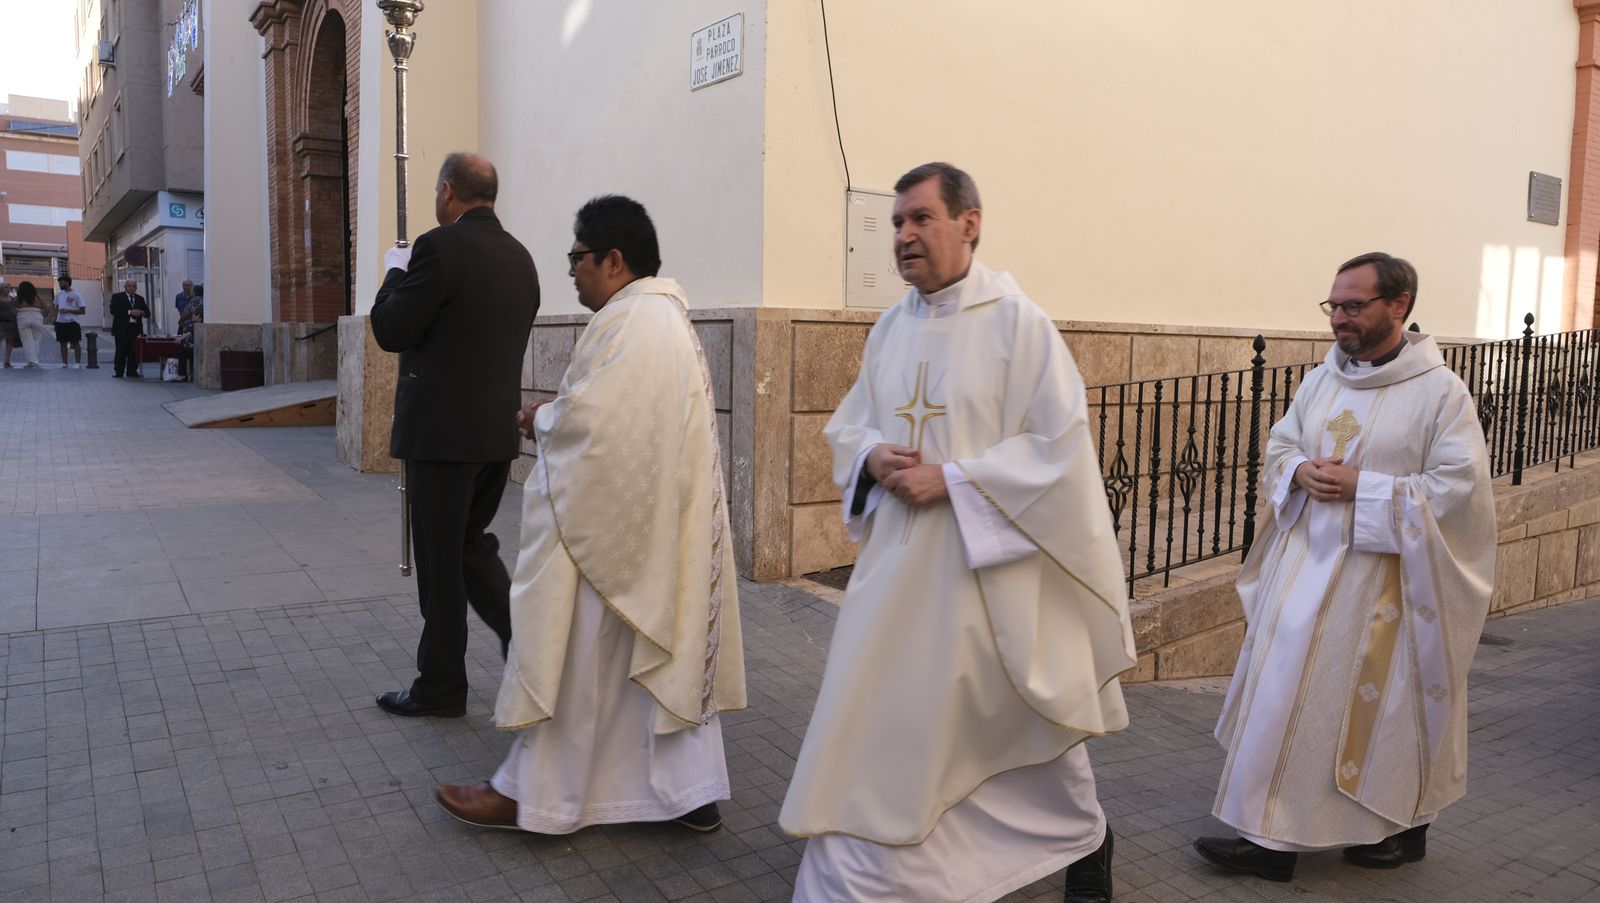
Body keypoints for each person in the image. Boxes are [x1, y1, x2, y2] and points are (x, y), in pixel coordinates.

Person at [778, 162, 1136, 903]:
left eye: (921, 218)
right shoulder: (891, 325)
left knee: (1009, 716)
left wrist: (958, 479)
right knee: (887, 713)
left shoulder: (1017, 323)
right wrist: (872, 454)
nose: (904, 235)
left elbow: (1060, 446)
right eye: (898, 222)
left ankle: (1086, 837)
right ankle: (884, 855)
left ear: (970, 223)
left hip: (983, 570)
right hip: (896, 568)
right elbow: (852, 421)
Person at [433, 195, 746, 836]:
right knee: (652, 657)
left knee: (575, 655)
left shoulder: (633, 323)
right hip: (653, 526)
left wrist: (543, 417)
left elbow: (598, 424)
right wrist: (564, 410)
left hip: (614, 533)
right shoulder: (661, 318)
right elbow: (620, 414)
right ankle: (687, 793)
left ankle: (531, 796)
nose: (571, 270)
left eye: (578, 257)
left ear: (614, 259)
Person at [1194, 252, 1496, 883]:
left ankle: (1394, 830)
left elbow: (1459, 487)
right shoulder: (1321, 380)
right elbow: (1283, 443)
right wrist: (1299, 471)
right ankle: (1271, 832)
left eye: (1354, 305)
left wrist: (1368, 486)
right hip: (1304, 567)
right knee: (1287, 697)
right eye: (1333, 305)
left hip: (1384, 581)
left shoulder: (1440, 391)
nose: (1339, 319)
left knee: (1383, 709)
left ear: (1400, 305)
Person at [370, 152, 540, 718]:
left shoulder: (436, 248)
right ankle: (527, 645)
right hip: (494, 435)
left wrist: (393, 272)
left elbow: (393, 329)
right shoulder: (521, 258)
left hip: (441, 439)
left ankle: (441, 687)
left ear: (448, 192)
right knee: (468, 545)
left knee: (441, 563)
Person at [109, 279, 149, 378]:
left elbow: (148, 313)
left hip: (135, 330)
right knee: (120, 351)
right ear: (125, 287)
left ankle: (132, 371)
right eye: (129, 286)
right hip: (121, 329)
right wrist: (129, 312)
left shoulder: (140, 298)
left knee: (134, 351)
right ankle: (119, 371)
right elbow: (113, 310)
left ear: (136, 288)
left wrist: (142, 312)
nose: (132, 288)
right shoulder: (117, 297)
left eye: (134, 286)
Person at [13, 281, 47, 369]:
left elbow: (12, 308)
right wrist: (41, 317)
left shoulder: (19, 298)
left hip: (23, 316)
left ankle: (32, 361)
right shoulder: (39, 298)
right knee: (36, 341)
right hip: (37, 316)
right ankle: (33, 361)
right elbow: (46, 309)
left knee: (26, 341)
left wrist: (17, 315)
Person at [54, 275, 86, 369]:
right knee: (62, 343)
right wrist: (56, 319)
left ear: (68, 282)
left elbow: (83, 311)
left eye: (62, 282)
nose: (60, 284)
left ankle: (77, 363)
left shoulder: (76, 294)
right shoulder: (59, 294)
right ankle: (64, 363)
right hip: (60, 322)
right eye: (59, 282)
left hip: (72, 322)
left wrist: (68, 310)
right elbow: (56, 307)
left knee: (75, 343)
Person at [0, 266, 18, 369]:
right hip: (0, 323)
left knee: (10, 342)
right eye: (7, 287)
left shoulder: (12, 299)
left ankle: (7, 361)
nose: (9, 289)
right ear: (1, 289)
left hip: (10, 323)